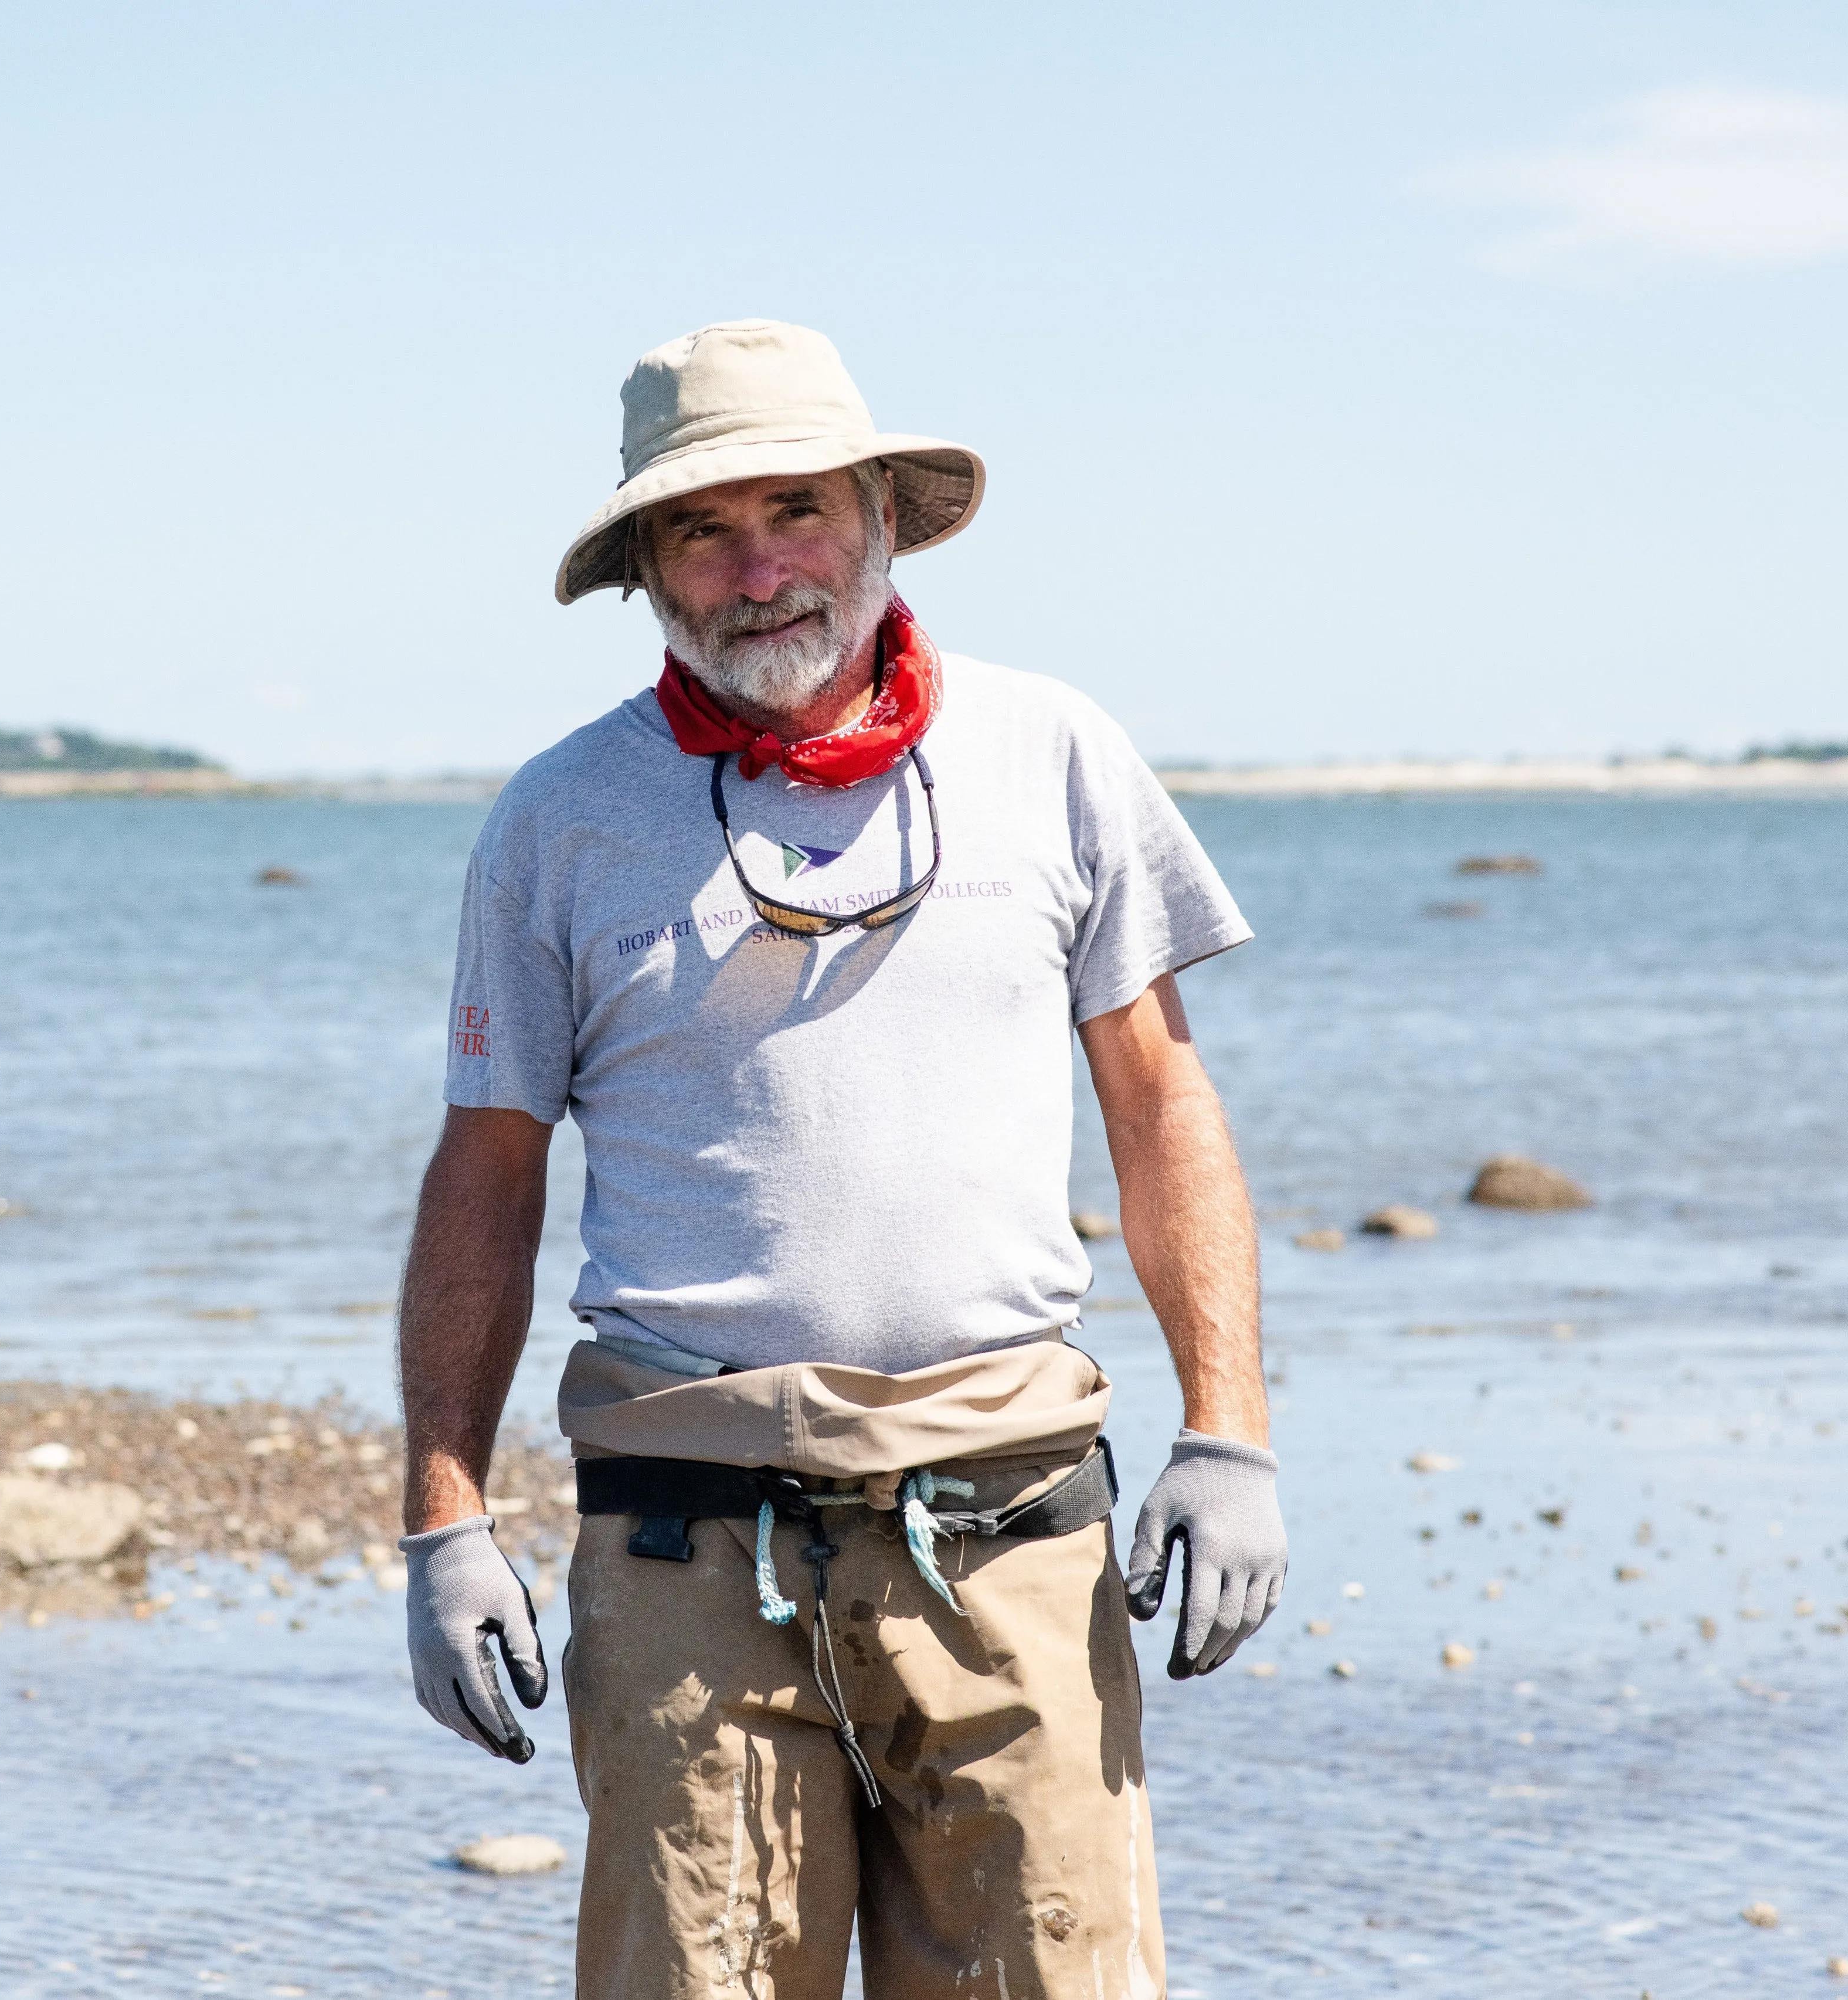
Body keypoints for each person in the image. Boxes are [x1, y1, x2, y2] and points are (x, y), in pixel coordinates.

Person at [396, 319, 1285, 1999]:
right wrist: (443, 1525)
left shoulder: (1053, 753)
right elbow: (485, 1177)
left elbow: (1162, 1106)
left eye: (794, 511)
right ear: (647, 568)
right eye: (700, 531)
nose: (756, 572)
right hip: (685, 1547)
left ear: (881, 514)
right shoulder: (559, 815)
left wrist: (1226, 1437)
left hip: (1009, 1520)